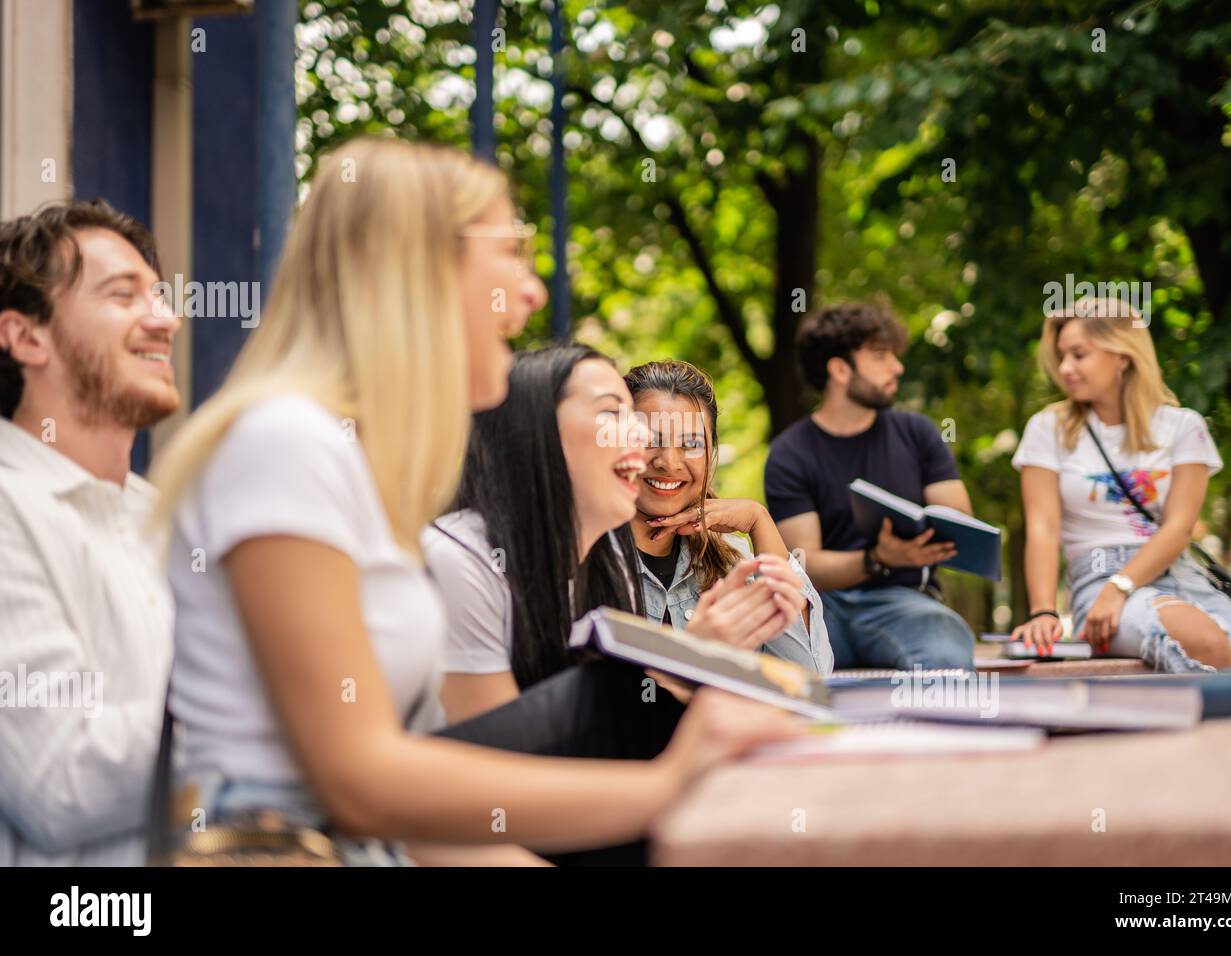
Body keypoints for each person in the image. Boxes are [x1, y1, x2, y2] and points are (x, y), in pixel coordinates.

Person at [150, 137, 800, 866]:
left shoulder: (346, 464)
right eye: (508, 256)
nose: (530, 293)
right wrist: (670, 782)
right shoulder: (284, 443)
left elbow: (431, 813)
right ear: (416, 271)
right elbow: (361, 783)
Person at [425, 346, 807, 724]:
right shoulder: (466, 559)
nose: (651, 452)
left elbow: (806, 687)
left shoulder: (601, 561)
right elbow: (506, 754)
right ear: (537, 432)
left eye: (689, 443)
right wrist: (689, 664)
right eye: (614, 417)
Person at [0, 199, 179, 864]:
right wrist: (270, 703)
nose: (165, 320)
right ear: (27, 338)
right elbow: (59, 784)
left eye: (160, 298)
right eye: (123, 295)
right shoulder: (9, 509)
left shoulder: (163, 517)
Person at [1010, 297, 1231, 673]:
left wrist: (1122, 586)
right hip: (1098, 581)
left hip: (1177, 572)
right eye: (1062, 356)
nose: (1065, 368)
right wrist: (1044, 611)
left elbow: (1179, 527)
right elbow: (1042, 528)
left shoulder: (1183, 426)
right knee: (1205, 644)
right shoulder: (1049, 429)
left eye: (1079, 354)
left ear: (1122, 356)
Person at [764, 300, 977, 671]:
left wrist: (926, 540)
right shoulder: (788, 453)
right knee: (777, 654)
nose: (897, 367)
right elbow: (805, 563)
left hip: (904, 601)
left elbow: (960, 522)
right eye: (881, 355)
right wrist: (877, 559)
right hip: (821, 605)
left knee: (945, 646)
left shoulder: (918, 433)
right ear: (840, 369)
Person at [623, 359, 832, 674]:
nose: (669, 462)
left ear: (711, 454)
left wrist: (759, 521)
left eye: (691, 444)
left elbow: (808, 678)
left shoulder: (735, 562)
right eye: (650, 440)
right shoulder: (584, 559)